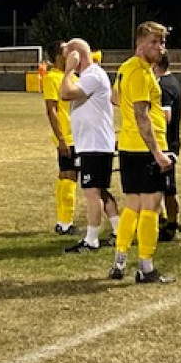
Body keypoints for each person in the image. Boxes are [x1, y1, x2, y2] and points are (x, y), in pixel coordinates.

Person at [109, 21, 175, 284]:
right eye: (153, 43)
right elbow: (141, 115)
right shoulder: (140, 72)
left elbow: (115, 98)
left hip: (128, 146)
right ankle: (146, 267)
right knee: (151, 208)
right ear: (140, 44)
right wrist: (158, 153)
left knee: (132, 205)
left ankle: (120, 260)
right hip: (145, 148)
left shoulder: (126, 67)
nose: (159, 48)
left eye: (162, 42)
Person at [60, 38, 120, 253]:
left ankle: (91, 240)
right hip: (92, 143)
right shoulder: (88, 76)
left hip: (95, 144)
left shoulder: (93, 75)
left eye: (69, 56)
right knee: (100, 191)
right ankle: (119, 231)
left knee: (91, 192)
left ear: (77, 55)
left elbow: (65, 94)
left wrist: (68, 71)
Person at [42, 41, 78, 235]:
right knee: (69, 176)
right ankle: (66, 223)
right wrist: (61, 139)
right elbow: (51, 110)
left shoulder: (70, 77)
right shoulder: (52, 78)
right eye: (67, 51)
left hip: (78, 135)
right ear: (58, 56)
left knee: (67, 175)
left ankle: (62, 221)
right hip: (68, 137)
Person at [154, 52, 181, 241]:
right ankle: (164, 219)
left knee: (168, 187)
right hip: (168, 141)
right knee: (162, 186)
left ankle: (171, 225)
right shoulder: (172, 81)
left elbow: (166, 116)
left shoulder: (164, 86)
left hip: (166, 143)